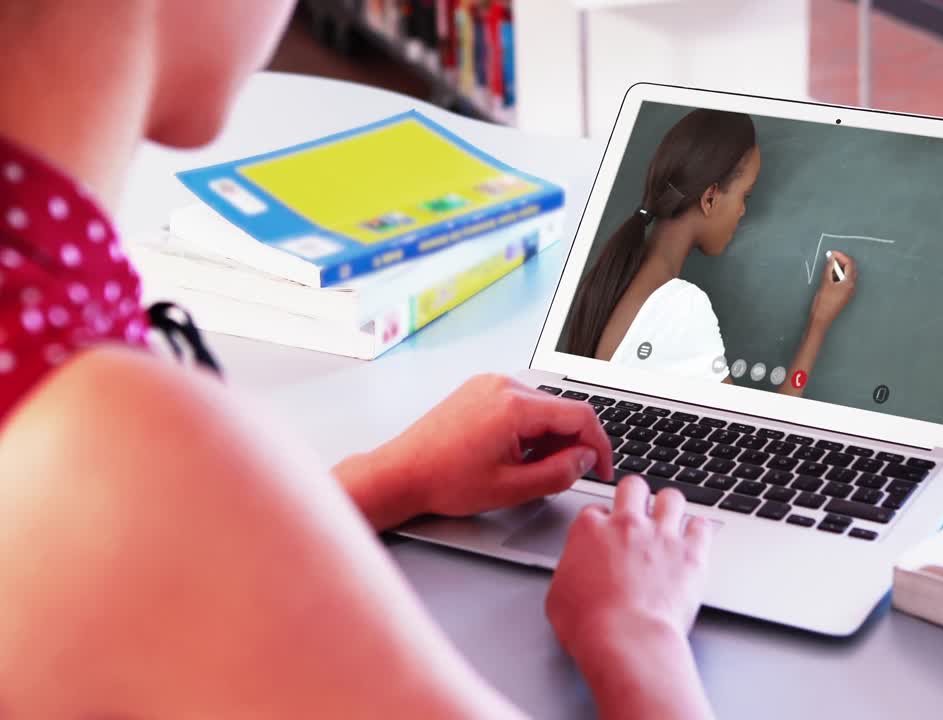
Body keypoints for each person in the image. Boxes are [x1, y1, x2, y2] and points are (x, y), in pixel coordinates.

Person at [0, 2, 716, 718]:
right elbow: (147, 533)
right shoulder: (120, 445)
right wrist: (640, 637)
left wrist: (385, 480)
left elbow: (147, 584)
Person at [563, 109, 857, 396]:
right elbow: (753, 440)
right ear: (710, 198)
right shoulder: (682, 305)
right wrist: (819, 324)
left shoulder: (615, 277)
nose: (743, 211)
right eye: (746, 195)